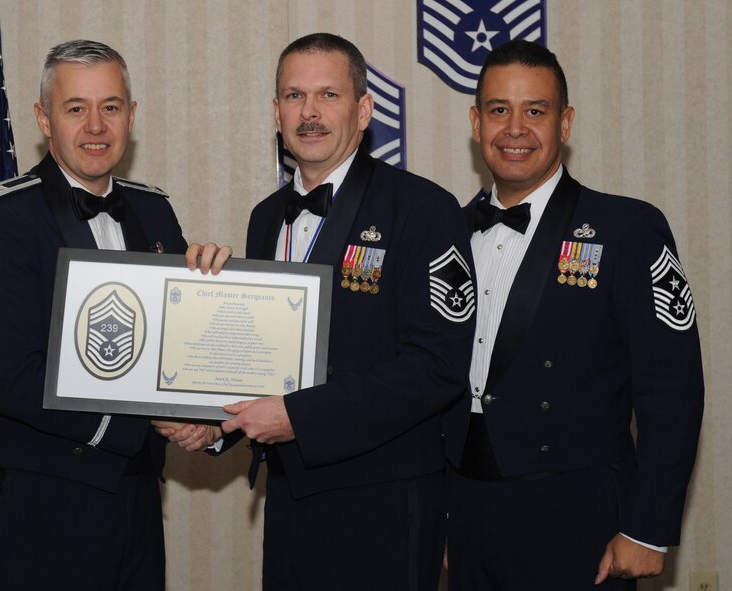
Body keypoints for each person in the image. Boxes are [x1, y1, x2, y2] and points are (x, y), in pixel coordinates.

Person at [165, 32, 475, 590]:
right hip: (289, 496)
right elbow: (269, 361)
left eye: (328, 95)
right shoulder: (265, 218)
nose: (309, 113)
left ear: (364, 110)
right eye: (294, 96)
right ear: (276, 112)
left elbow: (438, 367)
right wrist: (217, 423)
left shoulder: (423, 209)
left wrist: (300, 418)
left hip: (384, 503)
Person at [0, 39, 228, 591]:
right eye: (75, 108)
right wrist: (146, 419)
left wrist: (211, 422)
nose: (96, 126)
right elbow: (14, 378)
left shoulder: (154, 209)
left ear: (131, 116)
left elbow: (173, 348)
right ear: (44, 119)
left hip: (137, 497)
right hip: (44, 503)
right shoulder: (3, 215)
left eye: (110, 106)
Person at [442, 39, 704, 590]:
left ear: (565, 123)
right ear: (476, 122)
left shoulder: (628, 229)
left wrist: (648, 528)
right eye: (499, 110)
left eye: (535, 111)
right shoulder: (446, 235)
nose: (515, 129)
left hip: (579, 519)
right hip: (467, 514)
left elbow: (672, 388)